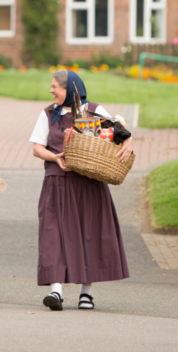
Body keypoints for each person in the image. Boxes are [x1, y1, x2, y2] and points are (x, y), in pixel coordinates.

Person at [29, 69, 132, 311]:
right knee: (54, 234)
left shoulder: (93, 112)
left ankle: (87, 293)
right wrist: (55, 158)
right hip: (57, 182)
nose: (51, 90)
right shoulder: (48, 114)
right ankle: (56, 291)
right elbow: (37, 148)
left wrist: (127, 141)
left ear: (71, 90)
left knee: (90, 233)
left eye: (56, 86)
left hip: (89, 184)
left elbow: (120, 135)